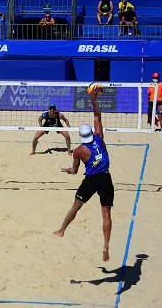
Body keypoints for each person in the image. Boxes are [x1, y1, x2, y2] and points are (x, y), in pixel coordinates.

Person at [53, 88, 114, 263]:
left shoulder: (79, 151)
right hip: (106, 178)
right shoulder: (100, 138)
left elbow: (75, 171)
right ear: (92, 134)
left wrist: (68, 171)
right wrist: (93, 100)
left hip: (91, 180)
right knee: (106, 214)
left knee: (75, 206)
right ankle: (106, 245)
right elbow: (97, 117)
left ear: (81, 136)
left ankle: (62, 230)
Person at [147, 72, 162, 137]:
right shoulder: (150, 85)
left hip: (159, 103)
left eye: (156, 78)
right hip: (151, 102)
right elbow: (149, 95)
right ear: (152, 78)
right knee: (149, 117)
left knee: (160, 117)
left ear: (158, 78)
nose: (155, 79)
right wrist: (148, 103)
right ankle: (152, 128)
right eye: (154, 78)